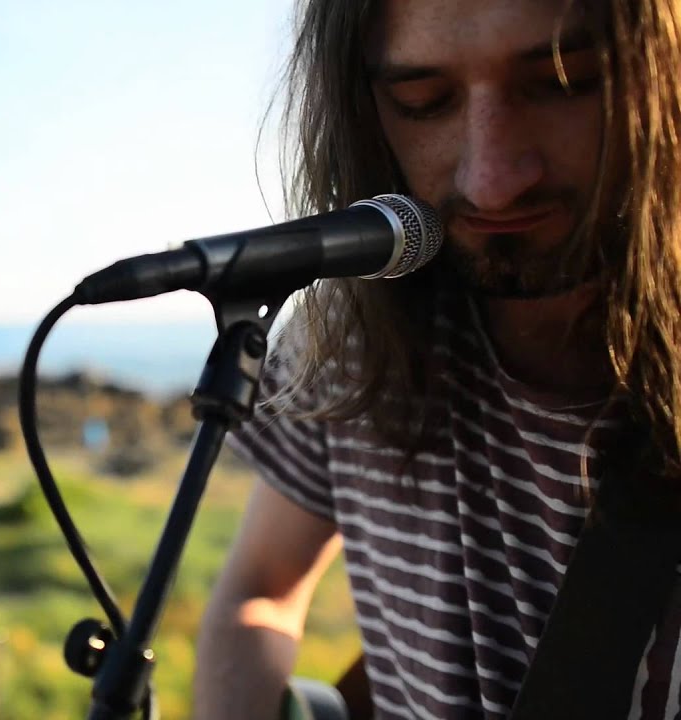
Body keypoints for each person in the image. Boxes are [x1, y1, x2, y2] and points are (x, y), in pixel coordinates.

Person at [194, 0, 681, 718]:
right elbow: (260, 589)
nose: (490, 179)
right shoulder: (348, 337)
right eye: (423, 101)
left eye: (563, 82)